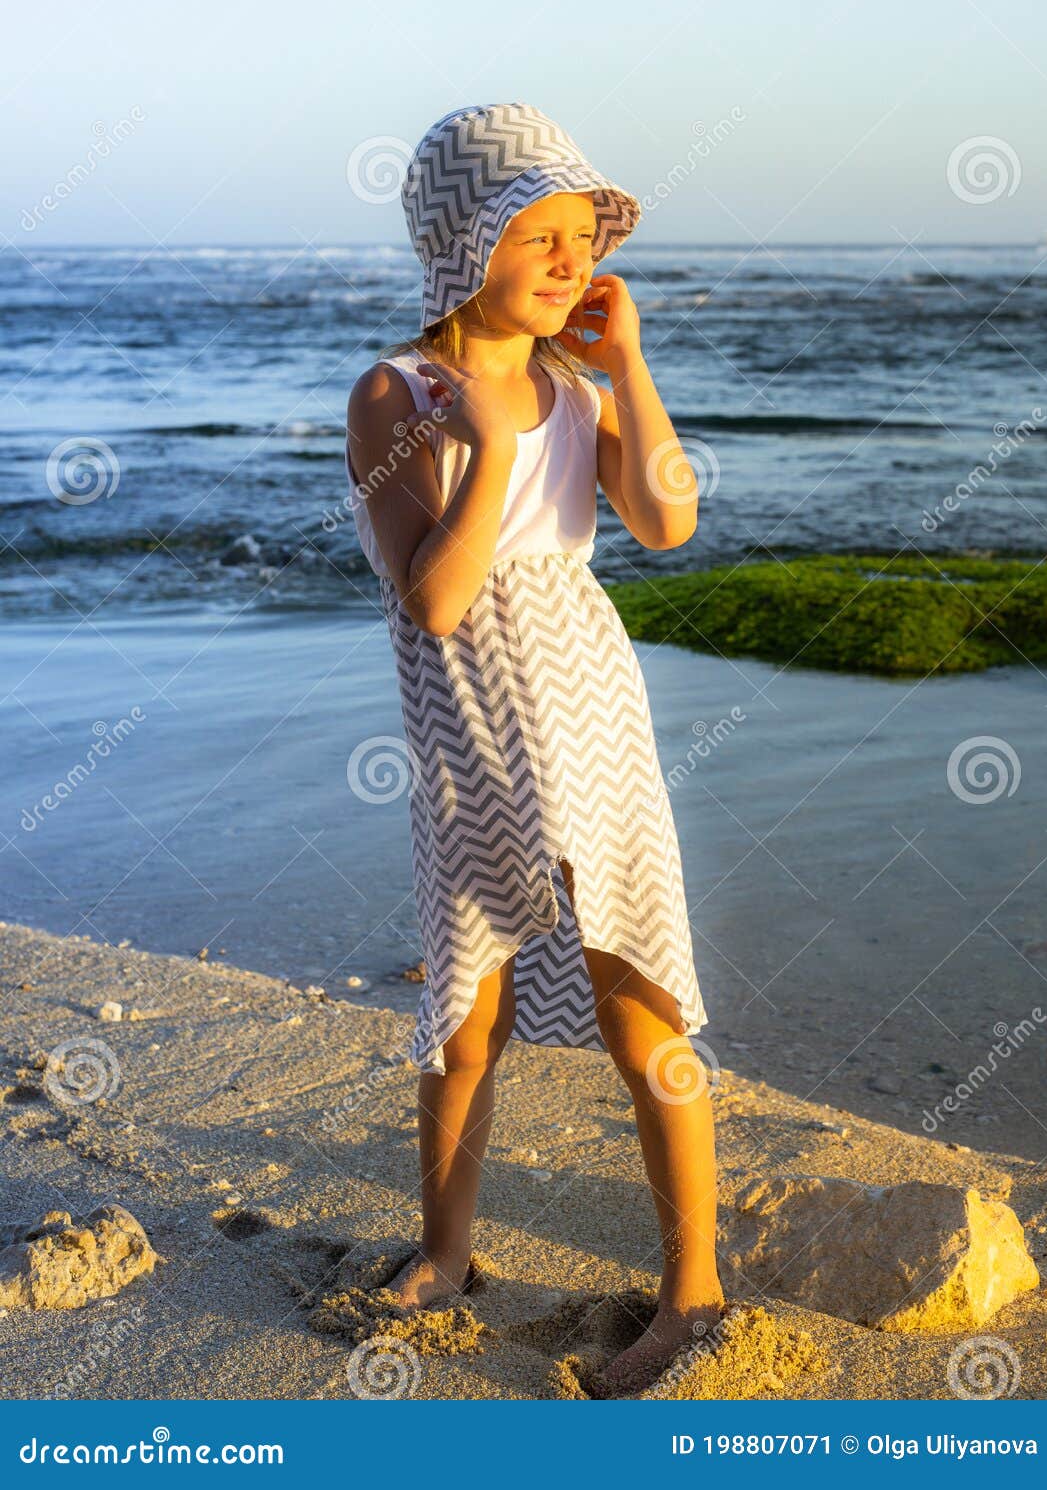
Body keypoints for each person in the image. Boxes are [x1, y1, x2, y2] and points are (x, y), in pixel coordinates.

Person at [344, 102, 726, 1398]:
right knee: (469, 1016)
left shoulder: (572, 381)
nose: (571, 262)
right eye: (541, 235)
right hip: (469, 733)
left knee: (642, 995)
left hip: (588, 712)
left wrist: (627, 371)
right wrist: (488, 447)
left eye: (583, 237)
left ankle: (693, 1290)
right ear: (464, 245)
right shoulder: (399, 392)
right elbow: (436, 600)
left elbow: (664, 523)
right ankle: (448, 1252)